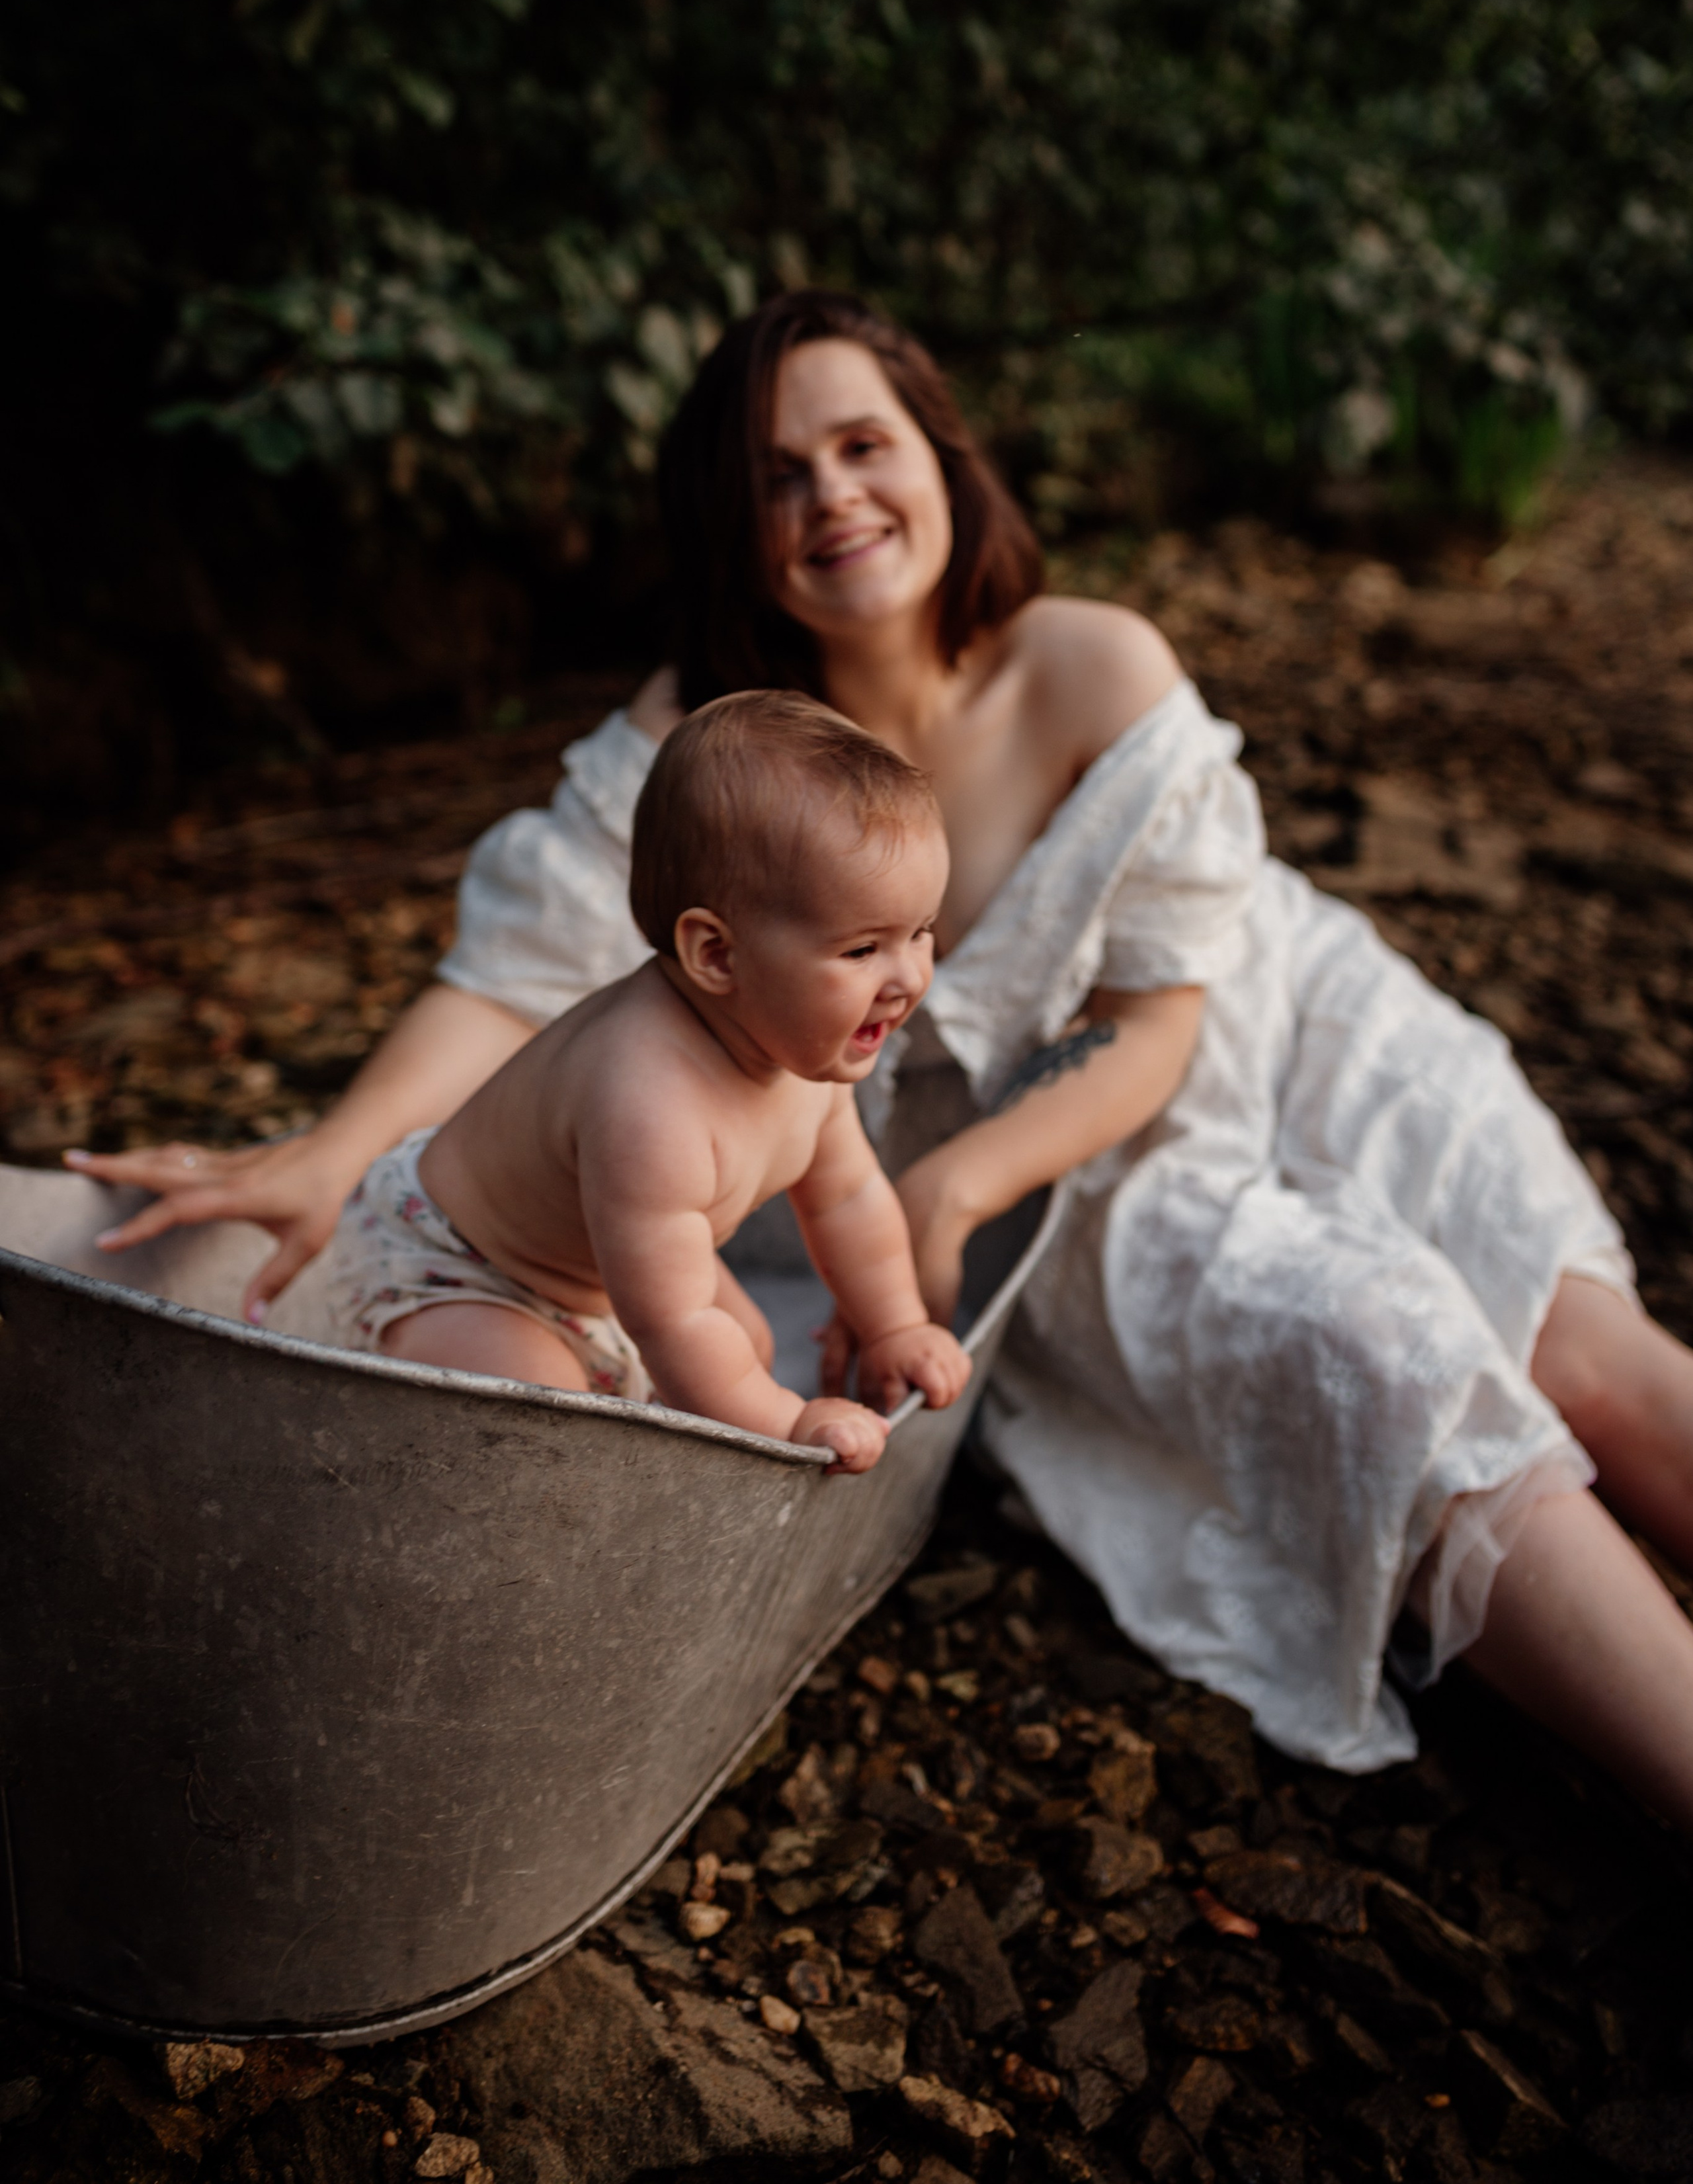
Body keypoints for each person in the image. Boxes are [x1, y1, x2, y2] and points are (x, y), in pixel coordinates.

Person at [71, 290, 1693, 1827]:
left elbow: (1154, 1023)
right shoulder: (710, 740)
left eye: (861, 444)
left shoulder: (1090, 661)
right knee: (1388, 1360)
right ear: (729, 526)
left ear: (938, 456)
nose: (829, 496)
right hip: (1085, 1165)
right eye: (775, 475)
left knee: (1572, 1338)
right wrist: (332, 1148)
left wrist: (944, 1186)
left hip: (1262, 1024)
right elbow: (513, 978)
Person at [317, 690, 968, 1470]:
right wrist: (790, 1423)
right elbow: (676, 1322)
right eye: (862, 950)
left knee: (749, 1346)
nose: (908, 978)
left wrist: (895, 1326)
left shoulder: (808, 1051)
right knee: (548, 1417)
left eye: (920, 933)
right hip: (463, 1266)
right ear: (716, 955)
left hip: (599, 1268)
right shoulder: (648, 1100)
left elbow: (847, 1197)